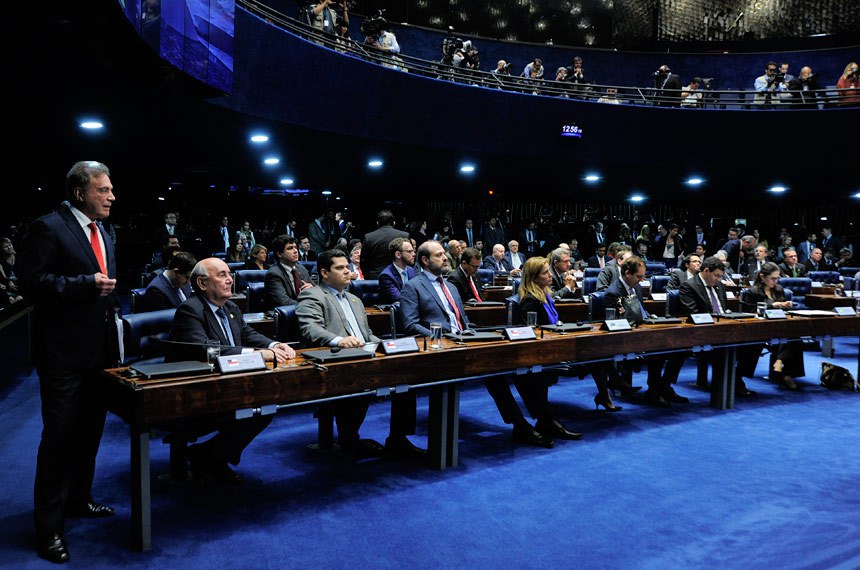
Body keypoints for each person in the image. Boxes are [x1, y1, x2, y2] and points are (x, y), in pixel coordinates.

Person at [17, 161, 121, 563]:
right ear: (80, 193)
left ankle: (79, 499)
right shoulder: (48, 227)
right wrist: (84, 284)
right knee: (58, 439)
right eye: (103, 190)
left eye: (111, 190)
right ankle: (49, 528)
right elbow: (30, 284)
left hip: (99, 353)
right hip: (62, 355)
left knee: (90, 432)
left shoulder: (104, 231)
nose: (111, 197)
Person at [399, 241, 581, 448]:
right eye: (439, 255)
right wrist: (442, 337)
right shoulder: (413, 286)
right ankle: (523, 425)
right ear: (425, 260)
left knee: (510, 367)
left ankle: (537, 421)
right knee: (496, 374)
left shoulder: (450, 286)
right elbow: (410, 325)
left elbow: (463, 321)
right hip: (440, 348)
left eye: (443, 254)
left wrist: (477, 333)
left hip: (465, 340)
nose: (445, 258)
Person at [167, 258, 295, 483]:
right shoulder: (190, 310)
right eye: (222, 275)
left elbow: (248, 334)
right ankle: (210, 458)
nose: (230, 280)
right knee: (256, 410)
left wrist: (275, 345)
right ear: (202, 283)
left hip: (230, 383)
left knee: (264, 407)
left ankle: (208, 456)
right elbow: (205, 350)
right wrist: (255, 354)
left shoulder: (230, 307)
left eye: (229, 274)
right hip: (196, 390)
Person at [296, 250, 424, 459]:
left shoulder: (355, 299)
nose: (347, 272)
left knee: (405, 377)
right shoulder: (312, 295)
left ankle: (398, 439)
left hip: (364, 357)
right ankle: (349, 440)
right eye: (340, 268)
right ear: (324, 273)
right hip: (336, 361)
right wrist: (339, 340)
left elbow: (366, 334)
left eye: (347, 267)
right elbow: (310, 329)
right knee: (358, 382)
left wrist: (385, 344)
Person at [520, 257, 621, 413]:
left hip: (558, 342)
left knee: (600, 349)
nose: (550, 275)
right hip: (548, 351)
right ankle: (612, 388)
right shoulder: (530, 301)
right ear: (534, 278)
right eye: (545, 273)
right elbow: (533, 332)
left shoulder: (545, 295)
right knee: (597, 353)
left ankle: (606, 394)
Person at [605, 257, 688, 407]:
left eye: (643, 276)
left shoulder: (636, 287)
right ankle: (654, 392)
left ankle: (664, 385)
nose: (642, 280)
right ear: (627, 273)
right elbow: (618, 321)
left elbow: (641, 311)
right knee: (658, 349)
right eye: (639, 276)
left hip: (643, 330)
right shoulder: (613, 292)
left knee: (680, 347)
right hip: (624, 336)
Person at [678, 256, 756, 397]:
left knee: (754, 344)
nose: (719, 279)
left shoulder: (719, 286)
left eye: (720, 276)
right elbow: (693, 314)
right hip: (704, 332)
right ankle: (730, 382)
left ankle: (736, 377)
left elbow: (723, 310)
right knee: (727, 347)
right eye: (716, 275)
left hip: (725, 328)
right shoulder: (689, 286)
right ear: (706, 271)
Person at [738, 262, 803, 390]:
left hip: (779, 326)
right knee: (788, 336)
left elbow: (783, 311)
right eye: (773, 278)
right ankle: (782, 367)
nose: (775, 281)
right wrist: (772, 306)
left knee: (795, 336)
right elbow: (750, 312)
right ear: (762, 276)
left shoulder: (778, 289)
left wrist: (786, 305)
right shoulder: (752, 292)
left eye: (777, 278)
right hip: (759, 329)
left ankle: (782, 366)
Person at [264, 234, 313, 310]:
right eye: (290, 248)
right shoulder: (273, 274)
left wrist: (313, 290)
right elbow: (284, 302)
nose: (295, 251)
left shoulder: (302, 269)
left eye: (295, 247)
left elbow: (317, 292)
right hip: (285, 315)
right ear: (279, 254)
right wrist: (308, 304)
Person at [361, 209, 408, 280]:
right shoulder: (404, 235)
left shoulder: (369, 237)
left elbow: (364, 262)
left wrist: (368, 277)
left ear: (377, 223)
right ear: (394, 223)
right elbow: (409, 257)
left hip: (376, 277)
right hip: (400, 275)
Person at [378, 236, 417, 303]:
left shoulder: (411, 271)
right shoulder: (386, 276)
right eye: (409, 251)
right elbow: (398, 298)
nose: (414, 254)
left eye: (413, 251)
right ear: (398, 254)